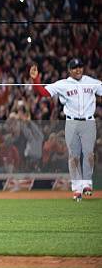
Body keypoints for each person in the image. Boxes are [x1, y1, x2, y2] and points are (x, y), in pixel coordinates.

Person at [30, 58, 102, 201]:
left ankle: (87, 184)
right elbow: (44, 93)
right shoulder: (63, 84)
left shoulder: (92, 82)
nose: (78, 69)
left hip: (88, 121)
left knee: (88, 153)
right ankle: (76, 188)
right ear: (69, 70)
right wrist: (36, 79)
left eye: (80, 66)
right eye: (75, 67)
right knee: (73, 155)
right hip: (72, 122)